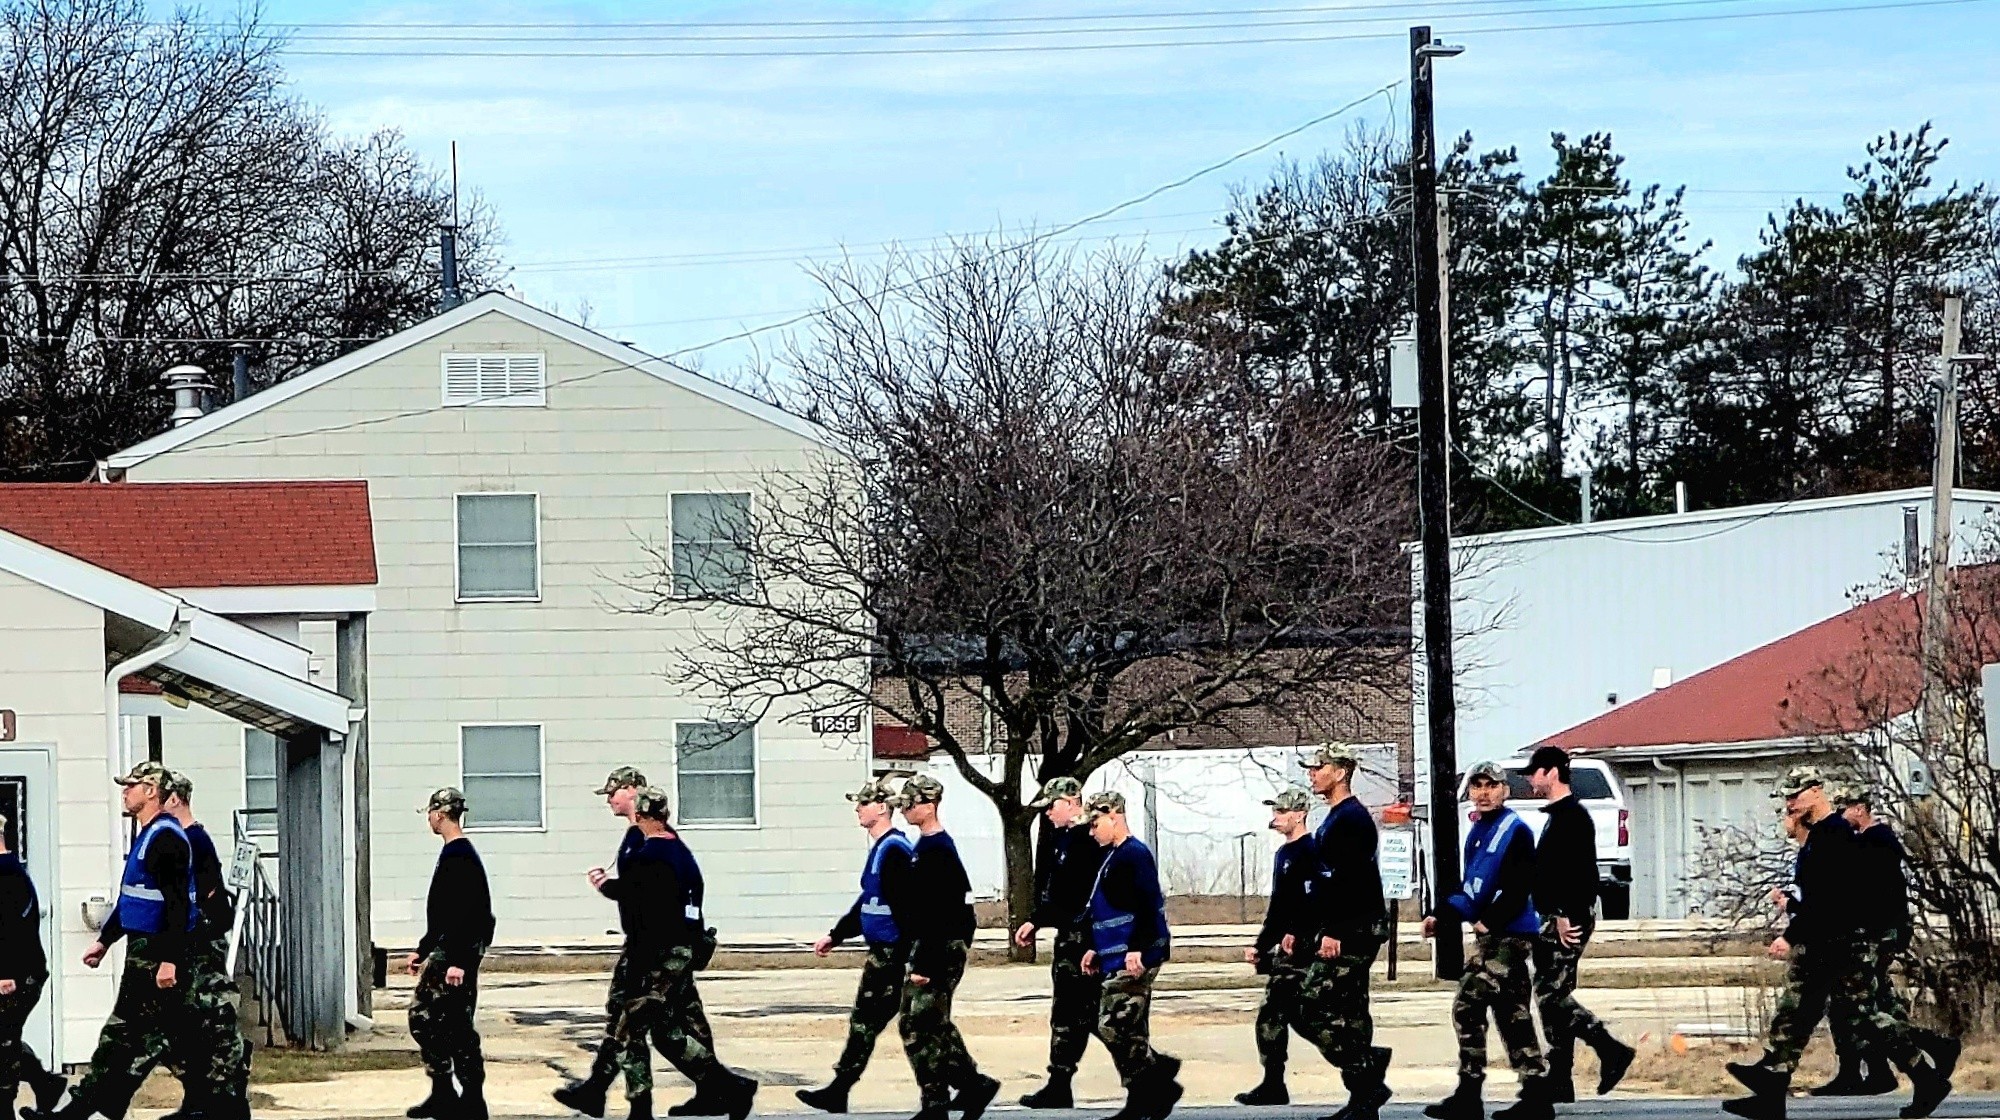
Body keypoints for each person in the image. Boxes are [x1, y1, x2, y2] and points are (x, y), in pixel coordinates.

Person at [1723, 766, 1957, 1120]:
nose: (1791, 802)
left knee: (1863, 1020)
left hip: (1843, 946)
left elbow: (1828, 902)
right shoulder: (1821, 836)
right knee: (1796, 1014)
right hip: (1824, 944)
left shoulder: (1836, 835)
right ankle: (1771, 1092)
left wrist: (1791, 935)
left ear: (1816, 791)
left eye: (1796, 794)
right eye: (1787, 796)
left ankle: (1928, 1075)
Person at [27, 762, 197, 1120]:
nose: (125, 791)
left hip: (155, 953)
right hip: (143, 948)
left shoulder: (165, 839)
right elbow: (133, 900)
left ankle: (76, 1113)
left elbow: (178, 905)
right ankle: (209, 1105)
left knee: (123, 1039)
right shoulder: (147, 834)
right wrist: (104, 942)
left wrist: (169, 961)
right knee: (148, 1039)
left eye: (131, 786)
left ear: (152, 791)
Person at [559, 767, 724, 1120]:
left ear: (633, 791)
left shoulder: (650, 843)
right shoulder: (653, 840)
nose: (609, 799)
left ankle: (712, 1089)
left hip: (653, 947)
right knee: (667, 1020)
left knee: (638, 1019)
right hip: (661, 945)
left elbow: (643, 893)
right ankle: (707, 1091)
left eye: (613, 792)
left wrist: (605, 885)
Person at [583, 787, 756, 1120]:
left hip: (657, 954)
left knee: (633, 1023)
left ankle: (730, 1087)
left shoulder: (650, 855)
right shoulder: (679, 851)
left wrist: (603, 884)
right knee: (665, 1032)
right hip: (678, 949)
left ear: (644, 816)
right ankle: (725, 1088)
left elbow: (639, 900)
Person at [1423, 760, 1548, 1120]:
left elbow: (1519, 886)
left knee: (1468, 1002)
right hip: (1493, 936)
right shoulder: (1477, 832)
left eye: (1491, 786)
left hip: (1510, 935)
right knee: (1513, 1014)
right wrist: (1440, 915)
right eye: (1477, 787)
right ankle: (1536, 1094)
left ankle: (1469, 1092)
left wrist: (1487, 922)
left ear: (1505, 790)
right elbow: (1470, 888)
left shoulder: (1516, 831)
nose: (1483, 793)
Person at [1521, 746, 1634, 1102]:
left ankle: (1610, 1048)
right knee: (1554, 996)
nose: (1530, 778)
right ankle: (1560, 1078)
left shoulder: (1572, 818)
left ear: (1551, 772)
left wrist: (1563, 915)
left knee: (1550, 995)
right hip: (1555, 916)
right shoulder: (1560, 816)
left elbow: (1579, 874)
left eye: (1534, 772)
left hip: (1566, 917)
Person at [798, 776, 916, 1114]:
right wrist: (836, 935)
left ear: (881, 808)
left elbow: (907, 909)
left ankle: (969, 1082)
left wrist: (910, 957)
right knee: (873, 1022)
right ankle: (839, 1090)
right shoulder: (882, 849)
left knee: (899, 1024)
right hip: (883, 952)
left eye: (863, 804)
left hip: (893, 954)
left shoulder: (894, 851)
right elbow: (868, 901)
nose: (857, 810)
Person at [1288, 745, 1394, 1120]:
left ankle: (1366, 1075)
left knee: (1311, 1005)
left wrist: (1334, 932)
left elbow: (1347, 882)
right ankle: (1363, 1100)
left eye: (1320, 768)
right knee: (1350, 1011)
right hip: (1343, 927)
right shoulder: (1336, 818)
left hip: (1354, 930)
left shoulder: (1352, 819)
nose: (1312, 774)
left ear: (1341, 772)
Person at [894, 773, 1001, 1120]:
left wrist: (927, 962)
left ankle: (937, 1101)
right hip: (928, 946)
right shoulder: (924, 847)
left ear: (929, 805)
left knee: (921, 1024)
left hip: (938, 949)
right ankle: (971, 1084)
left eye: (911, 803)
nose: (905, 810)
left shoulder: (939, 850)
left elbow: (946, 912)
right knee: (925, 1023)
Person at [1078, 791, 1182, 1120]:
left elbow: (1147, 904)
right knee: (1130, 1029)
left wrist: (1137, 947)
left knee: (1113, 1025)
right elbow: (1110, 909)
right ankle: (1146, 1097)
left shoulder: (1134, 855)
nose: (1091, 831)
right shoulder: (1113, 856)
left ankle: (1155, 1086)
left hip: (1136, 956)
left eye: (1095, 823)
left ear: (1114, 815)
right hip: (1115, 954)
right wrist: (1096, 947)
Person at [1014, 776, 1110, 1110]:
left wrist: (1094, 943)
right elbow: (1059, 893)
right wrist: (1037, 919)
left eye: (1052, 807)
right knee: (1074, 1015)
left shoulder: (1089, 840)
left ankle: (1151, 1071)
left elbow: (1088, 896)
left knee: (1091, 1015)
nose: (1048, 814)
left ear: (1072, 802)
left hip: (1085, 939)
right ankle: (1059, 1084)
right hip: (1068, 937)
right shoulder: (1063, 839)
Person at [159, 772, 250, 1120]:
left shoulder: (194, 839)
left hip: (201, 945)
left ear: (175, 799)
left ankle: (228, 1104)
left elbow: (204, 898)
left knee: (214, 1024)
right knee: (182, 1027)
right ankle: (196, 1099)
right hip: (188, 943)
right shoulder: (179, 838)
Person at [1810, 782, 1907, 1097]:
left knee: (1859, 1005)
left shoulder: (1876, 843)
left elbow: (1869, 892)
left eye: (1845, 809)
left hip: (1875, 935)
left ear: (1860, 809)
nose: (1841, 815)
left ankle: (1881, 1070)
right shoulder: (1867, 842)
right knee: (1857, 1004)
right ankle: (1860, 1071)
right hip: (1867, 934)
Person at [405, 788, 496, 1120]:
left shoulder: (461, 856)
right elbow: (443, 912)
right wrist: (423, 948)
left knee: (453, 1024)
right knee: (428, 1020)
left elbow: (473, 914)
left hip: (456, 954)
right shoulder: (453, 854)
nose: (428, 819)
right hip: (445, 949)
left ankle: (471, 1098)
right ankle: (443, 1091)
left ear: (439, 814)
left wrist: (460, 961)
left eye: (429, 813)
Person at [1235, 787, 1317, 1107]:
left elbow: (1314, 902)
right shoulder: (1283, 854)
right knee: (1276, 1014)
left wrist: (1299, 933)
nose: (1276, 818)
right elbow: (1279, 907)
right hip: (1285, 950)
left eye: (1282, 812)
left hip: (1304, 948)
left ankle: (1363, 1065)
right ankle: (1273, 1082)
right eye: (1275, 812)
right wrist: (1262, 945)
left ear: (1299, 814)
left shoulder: (1311, 851)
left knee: (1306, 1016)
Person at [0, 814, 66, 1120]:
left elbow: (12, 931)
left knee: (3, 1045)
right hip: (20, 973)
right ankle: (46, 1083)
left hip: (16, 976)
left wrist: (5, 974)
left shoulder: (8, 876)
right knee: (6, 1037)